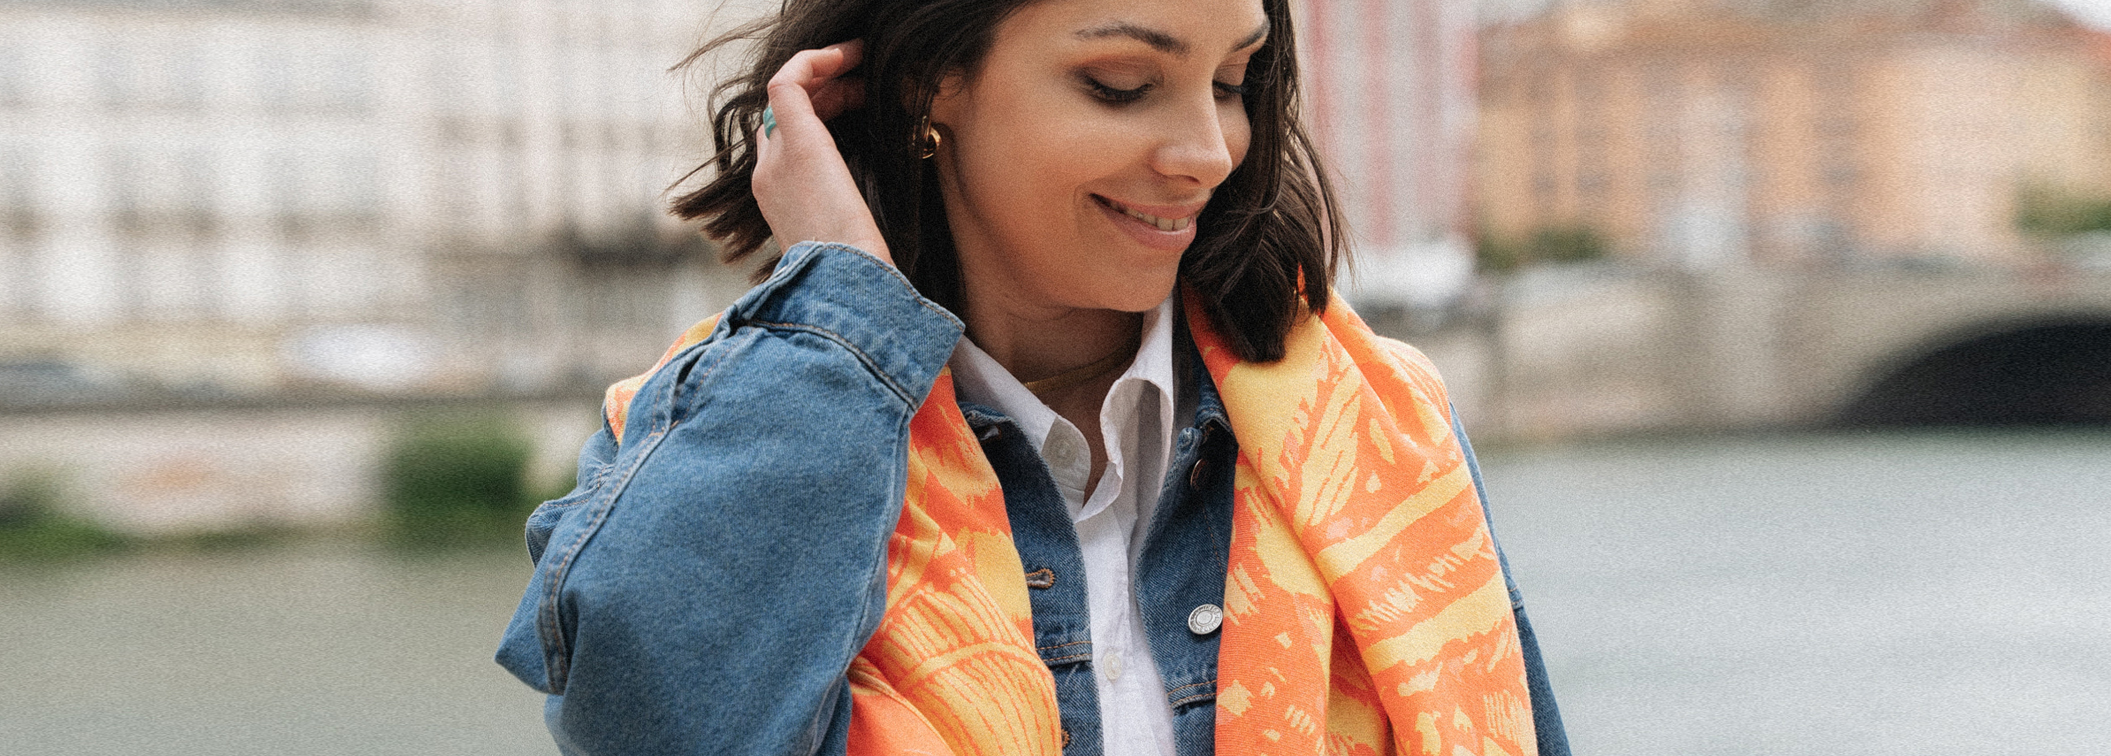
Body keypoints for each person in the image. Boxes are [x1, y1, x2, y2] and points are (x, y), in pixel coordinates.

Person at [497, 0, 1569, 753]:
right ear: (930, 83)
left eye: (1234, 81)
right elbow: (665, 730)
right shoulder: (708, 435)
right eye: (1121, 84)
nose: (1206, 148)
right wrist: (841, 307)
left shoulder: (1381, 428)